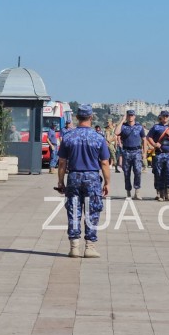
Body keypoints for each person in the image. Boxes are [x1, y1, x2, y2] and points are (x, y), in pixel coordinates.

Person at [56, 105, 111, 259]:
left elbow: (62, 162)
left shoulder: (68, 137)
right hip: (92, 178)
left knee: (74, 210)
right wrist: (107, 182)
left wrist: (60, 181)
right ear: (91, 118)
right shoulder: (98, 138)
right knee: (92, 211)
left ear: (77, 118)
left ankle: (74, 247)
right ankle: (90, 247)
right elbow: (105, 163)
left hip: (74, 176)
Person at [147, 110, 169, 201]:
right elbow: (149, 137)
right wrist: (154, 144)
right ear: (160, 117)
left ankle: (168, 192)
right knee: (158, 173)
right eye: (163, 116)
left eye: (167, 116)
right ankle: (161, 193)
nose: (165, 117)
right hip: (159, 153)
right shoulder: (156, 127)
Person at [115, 110, 146, 199]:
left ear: (134, 116)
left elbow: (144, 139)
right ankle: (128, 192)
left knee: (137, 171)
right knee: (126, 173)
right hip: (126, 151)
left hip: (137, 151)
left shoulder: (139, 127)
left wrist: (144, 153)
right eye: (129, 115)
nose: (130, 117)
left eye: (132, 115)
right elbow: (116, 133)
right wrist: (122, 120)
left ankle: (137, 192)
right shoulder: (123, 127)